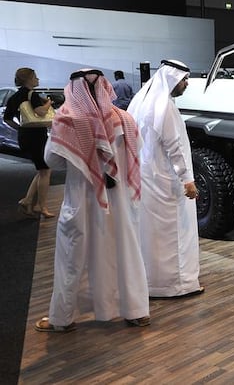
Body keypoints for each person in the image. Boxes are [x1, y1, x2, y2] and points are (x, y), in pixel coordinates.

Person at [34, 69, 150, 332]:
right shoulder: (125, 119)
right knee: (126, 253)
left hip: (83, 202)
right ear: (105, 86)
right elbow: (137, 152)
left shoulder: (66, 121)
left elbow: (52, 161)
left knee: (72, 258)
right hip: (120, 203)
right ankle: (136, 312)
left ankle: (61, 319)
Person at [126, 59, 204, 298]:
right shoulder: (164, 106)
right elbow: (175, 147)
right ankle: (179, 284)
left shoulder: (142, 100)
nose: (187, 84)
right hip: (167, 181)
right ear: (172, 79)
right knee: (175, 233)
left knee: (151, 234)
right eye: (184, 80)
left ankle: (151, 283)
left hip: (147, 178)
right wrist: (187, 179)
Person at [2, 68, 55, 218]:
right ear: (29, 79)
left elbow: (7, 119)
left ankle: (28, 200)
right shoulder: (32, 95)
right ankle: (41, 206)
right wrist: (49, 103)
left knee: (43, 170)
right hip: (37, 136)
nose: (37, 80)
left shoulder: (15, 97)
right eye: (35, 77)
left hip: (24, 135)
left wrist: (20, 128)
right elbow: (41, 112)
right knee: (45, 170)